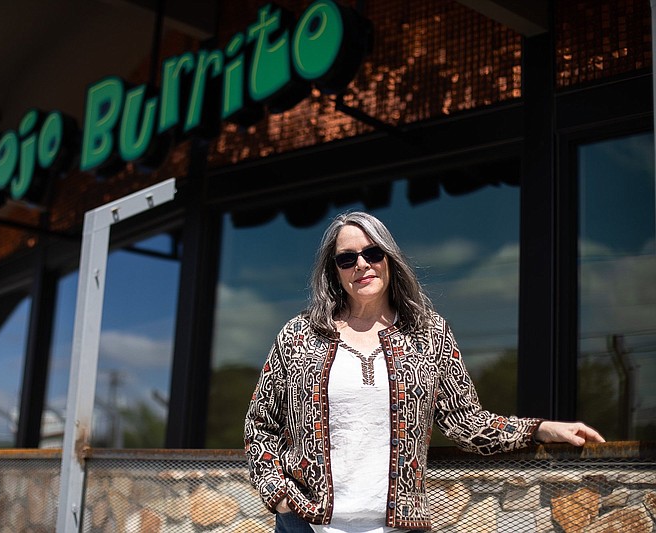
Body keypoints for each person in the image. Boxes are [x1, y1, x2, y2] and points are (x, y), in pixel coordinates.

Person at [243, 211, 604, 533]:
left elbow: (466, 422)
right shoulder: (299, 335)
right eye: (347, 258)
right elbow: (259, 424)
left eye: (372, 253)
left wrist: (538, 429)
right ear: (334, 271)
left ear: (389, 258)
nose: (361, 265)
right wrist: (278, 496)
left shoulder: (429, 334)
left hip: (397, 526)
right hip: (305, 522)